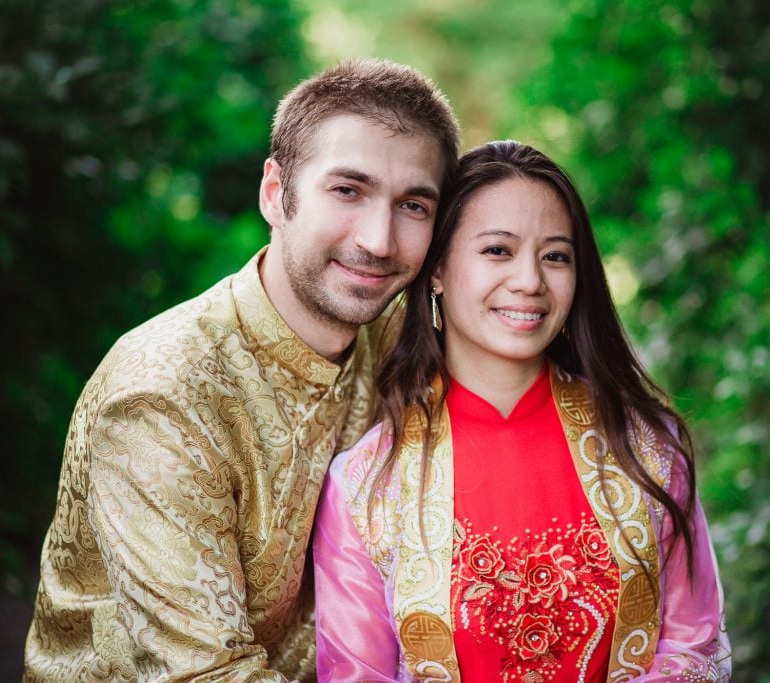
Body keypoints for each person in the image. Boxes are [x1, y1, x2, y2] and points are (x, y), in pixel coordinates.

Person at [23, 58, 460, 682]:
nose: (379, 240)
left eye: (413, 205)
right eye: (347, 190)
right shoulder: (162, 398)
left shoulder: (398, 336)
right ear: (275, 194)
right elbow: (205, 675)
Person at [313, 141, 732, 682]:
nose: (530, 281)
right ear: (436, 269)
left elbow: (694, 651)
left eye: (555, 255)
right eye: (497, 251)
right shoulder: (368, 485)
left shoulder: (645, 446)